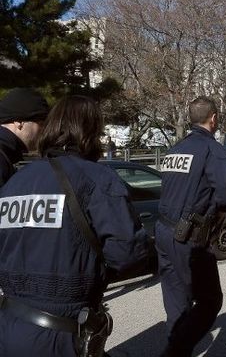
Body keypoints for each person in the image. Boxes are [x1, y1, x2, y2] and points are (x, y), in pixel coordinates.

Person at [0, 95, 150, 356]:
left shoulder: (15, 182)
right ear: (91, 132)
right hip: (61, 334)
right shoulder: (97, 178)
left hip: (9, 326)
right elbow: (128, 254)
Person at [155, 96, 226, 357]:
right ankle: (175, 352)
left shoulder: (175, 149)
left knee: (176, 300)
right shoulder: (212, 150)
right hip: (188, 238)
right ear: (213, 118)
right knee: (209, 300)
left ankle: (178, 347)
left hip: (163, 233)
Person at [0, 87, 50, 186]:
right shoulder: (2, 158)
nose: (44, 131)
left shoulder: (7, 153)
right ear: (19, 122)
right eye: (41, 124)